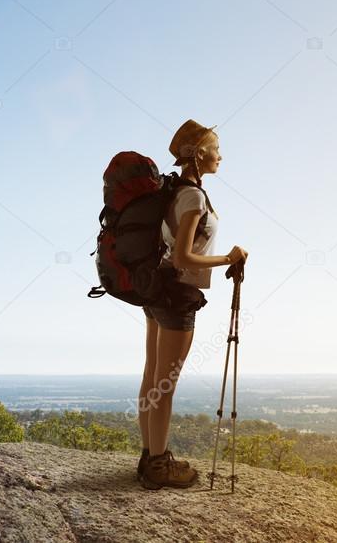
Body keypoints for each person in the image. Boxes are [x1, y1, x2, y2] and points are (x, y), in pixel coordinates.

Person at [136, 119, 248, 490]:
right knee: (164, 384)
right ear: (199, 154)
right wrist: (229, 258)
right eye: (216, 149)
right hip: (177, 295)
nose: (221, 155)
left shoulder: (175, 192)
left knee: (153, 376)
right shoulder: (193, 197)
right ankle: (157, 464)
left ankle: (150, 454)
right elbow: (184, 256)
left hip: (158, 292)